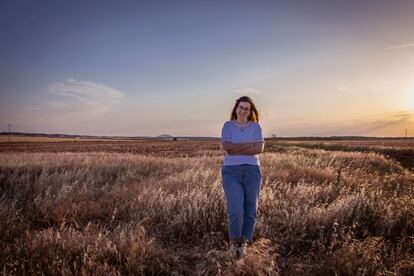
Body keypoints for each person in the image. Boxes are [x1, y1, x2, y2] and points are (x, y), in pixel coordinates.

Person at [220, 96, 265, 259]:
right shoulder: (228, 126)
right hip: (231, 172)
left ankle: (244, 244)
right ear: (236, 109)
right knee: (236, 210)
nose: (243, 110)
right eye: (241, 107)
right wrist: (249, 146)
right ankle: (234, 243)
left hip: (252, 171)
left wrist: (236, 148)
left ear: (250, 111)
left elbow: (259, 148)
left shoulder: (256, 127)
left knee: (251, 209)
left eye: (246, 108)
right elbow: (227, 147)